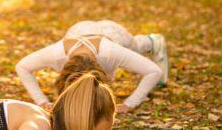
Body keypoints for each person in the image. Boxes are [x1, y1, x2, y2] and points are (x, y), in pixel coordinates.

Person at [15, 21, 168, 114]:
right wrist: (41, 101)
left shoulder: (111, 53)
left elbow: (154, 71)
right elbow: (22, 66)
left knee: (134, 46)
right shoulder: (56, 54)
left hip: (112, 32)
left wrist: (130, 103)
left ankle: (153, 42)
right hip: (79, 29)